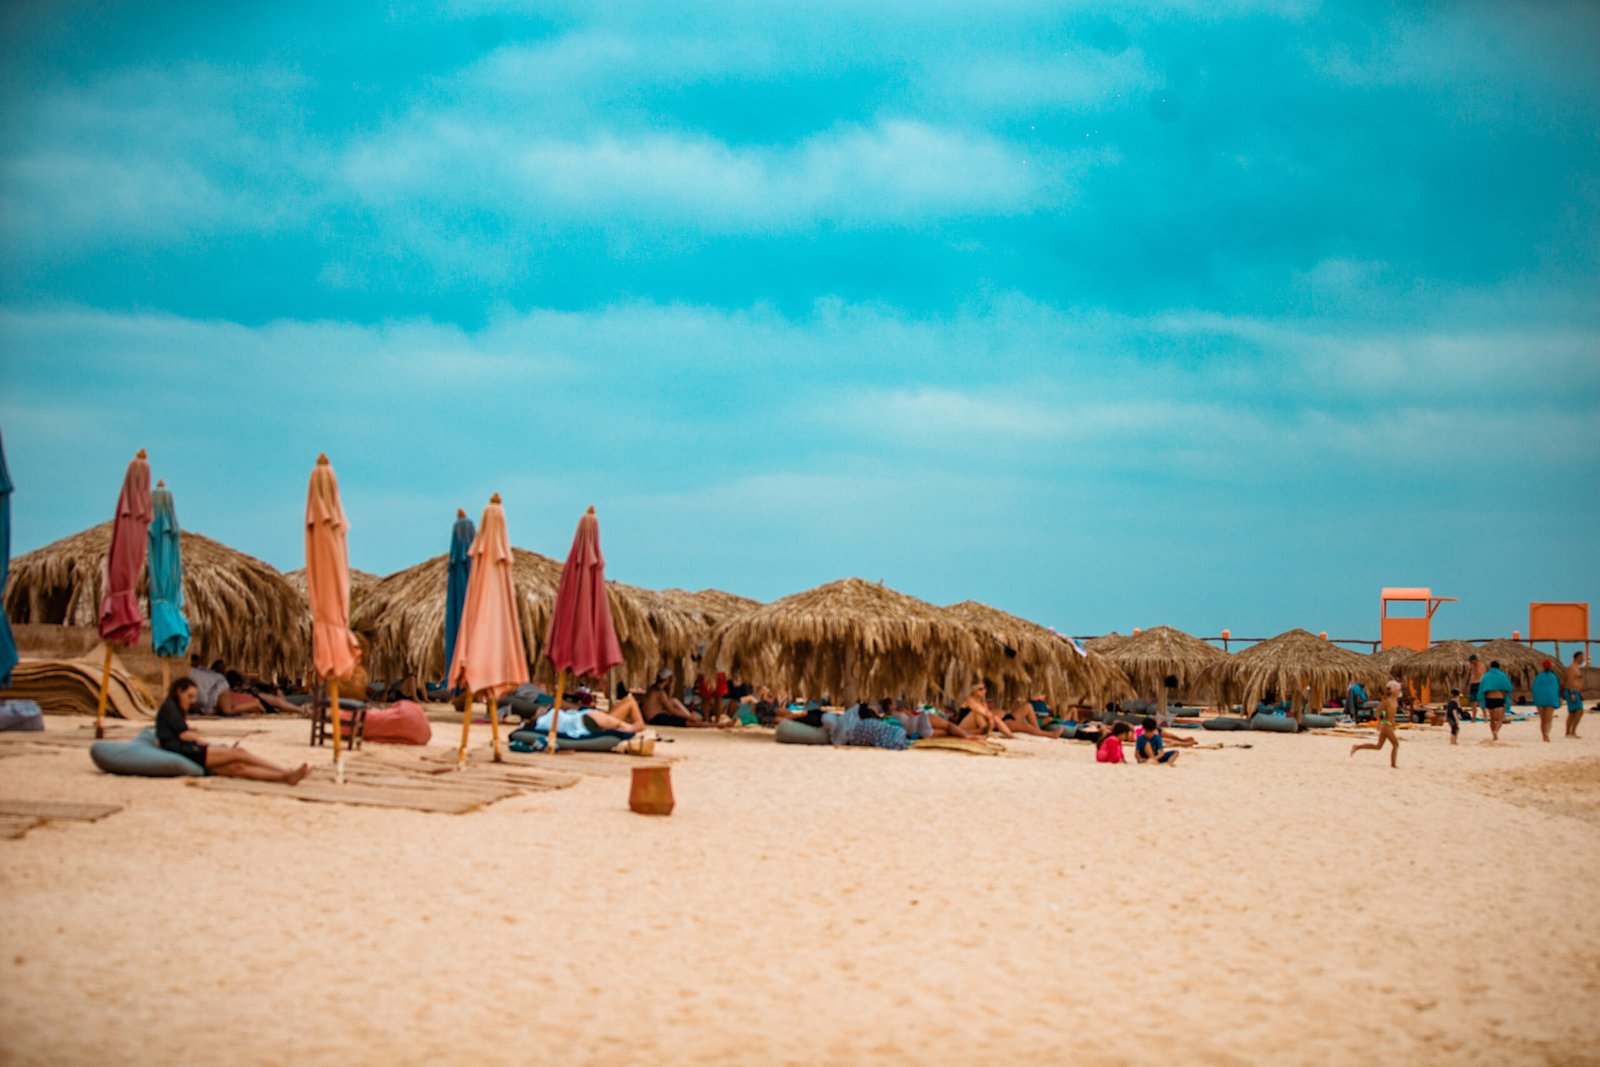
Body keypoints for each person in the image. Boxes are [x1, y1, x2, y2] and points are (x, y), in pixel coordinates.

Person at [156, 678, 308, 782]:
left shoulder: (173, 708)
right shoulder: (170, 707)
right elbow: (186, 735)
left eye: (193, 697)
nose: (192, 701)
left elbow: (177, 731)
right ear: (179, 692)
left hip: (184, 749)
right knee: (239, 753)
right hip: (186, 751)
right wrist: (213, 745)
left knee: (237, 768)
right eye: (189, 696)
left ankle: (284, 778)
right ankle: (285, 771)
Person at [1350, 680, 1401, 768]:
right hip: (1386, 725)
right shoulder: (1387, 701)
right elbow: (1377, 711)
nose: (1399, 690)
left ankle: (1357, 747)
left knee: (1378, 746)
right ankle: (1393, 765)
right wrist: (1380, 722)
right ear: (1393, 690)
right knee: (1396, 744)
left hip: (1389, 725)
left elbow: (1392, 715)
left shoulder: (1395, 700)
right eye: (1397, 689)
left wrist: (1393, 725)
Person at [641, 669, 711, 727]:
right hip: (656, 719)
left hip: (654, 717)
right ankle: (708, 723)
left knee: (673, 700)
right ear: (667, 679)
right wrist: (689, 717)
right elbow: (672, 710)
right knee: (687, 722)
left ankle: (691, 717)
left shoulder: (653, 688)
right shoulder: (659, 692)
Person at [1478, 661, 1514, 742]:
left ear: (1490, 667)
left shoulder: (1486, 676)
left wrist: (1481, 700)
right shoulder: (1502, 675)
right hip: (1498, 699)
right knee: (1500, 719)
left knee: (1492, 719)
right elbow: (1509, 687)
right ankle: (1496, 731)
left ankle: (1494, 736)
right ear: (1498, 667)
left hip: (1489, 700)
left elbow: (1481, 689)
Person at [1531, 660, 1562, 743]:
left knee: (1543, 719)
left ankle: (1544, 735)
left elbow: (1534, 689)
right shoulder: (1553, 677)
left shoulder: (1539, 677)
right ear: (1550, 667)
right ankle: (1547, 733)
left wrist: (1536, 699)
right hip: (1550, 699)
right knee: (1548, 719)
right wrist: (1557, 700)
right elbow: (1556, 689)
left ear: (1543, 667)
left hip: (1540, 699)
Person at [1565, 652, 1586, 738]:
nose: (1583, 659)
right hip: (1572, 691)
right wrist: (1572, 693)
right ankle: (1571, 731)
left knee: (1572, 713)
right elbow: (1569, 680)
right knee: (1579, 711)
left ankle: (1569, 732)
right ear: (1577, 657)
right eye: (1582, 657)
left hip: (1576, 692)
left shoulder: (1577, 667)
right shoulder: (1572, 667)